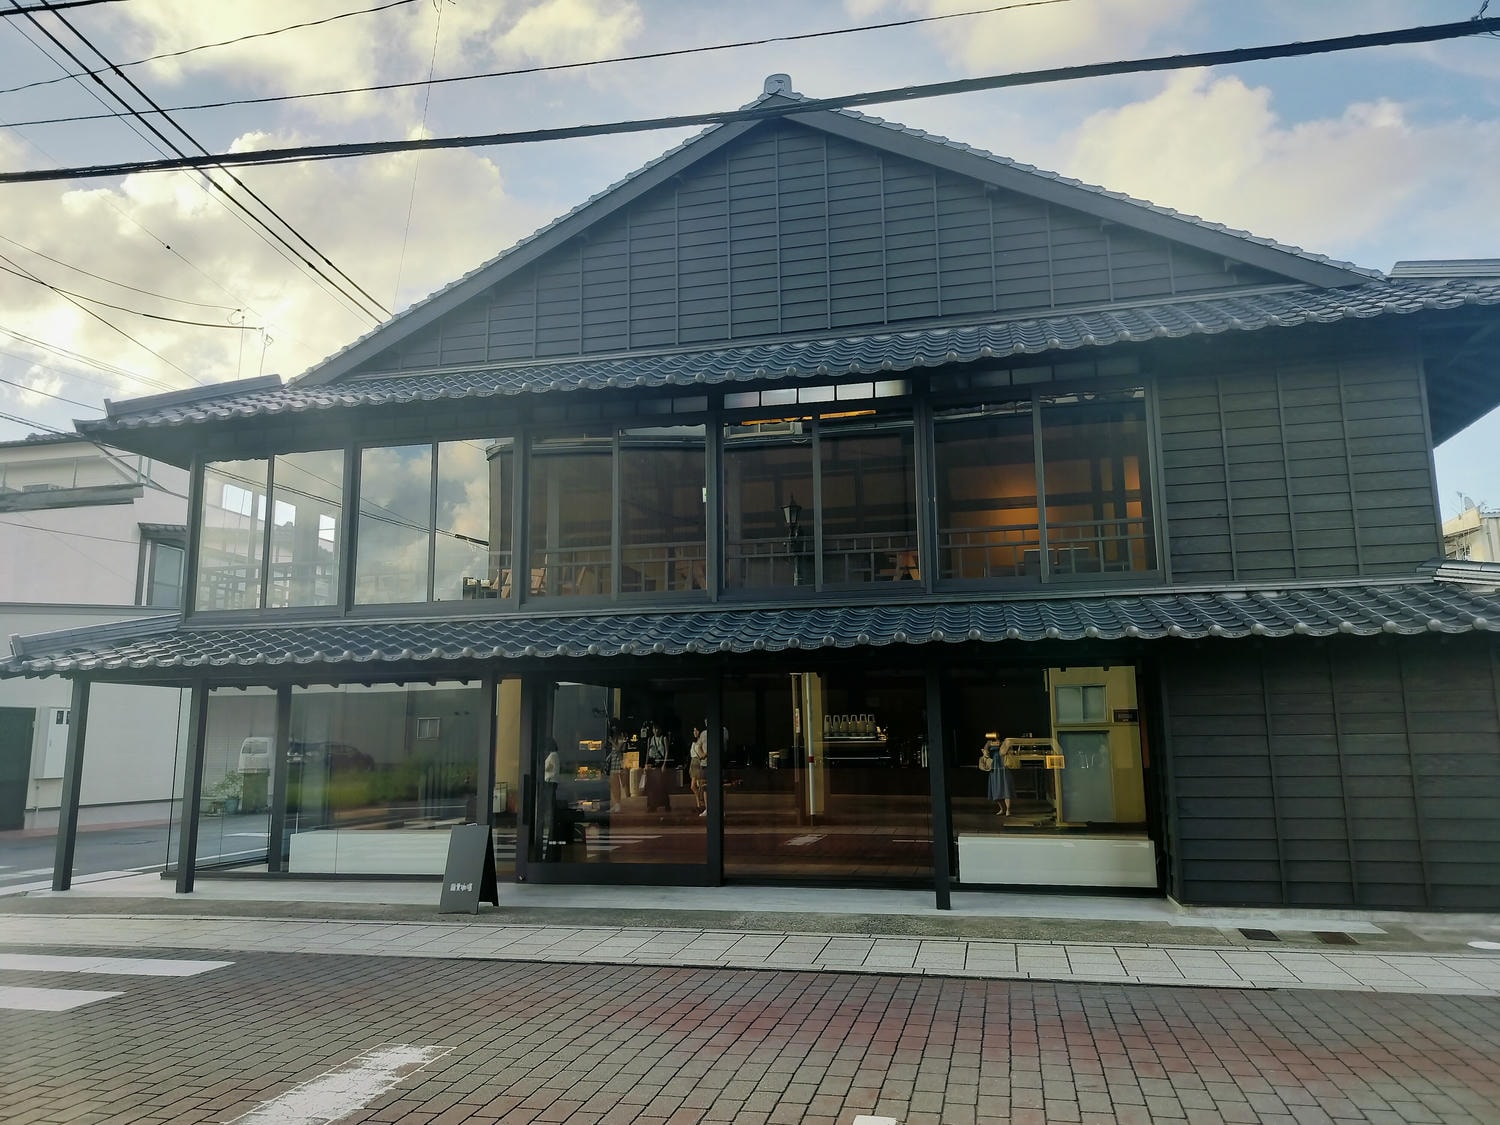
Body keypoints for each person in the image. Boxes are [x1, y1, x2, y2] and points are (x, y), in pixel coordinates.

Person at [981, 732, 1013, 817]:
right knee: (995, 790)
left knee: (1006, 789)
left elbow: (1007, 751)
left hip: (1003, 767)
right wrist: (987, 748)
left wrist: (1002, 745)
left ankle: (1008, 810)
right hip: (993, 768)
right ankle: (1002, 809)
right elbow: (985, 752)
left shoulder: (1004, 742)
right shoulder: (988, 743)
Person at [689, 721, 709, 816]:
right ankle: (699, 804)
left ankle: (701, 804)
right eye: (693, 730)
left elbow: (702, 751)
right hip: (693, 763)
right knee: (694, 786)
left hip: (698, 762)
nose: (695, 732)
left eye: (696, 730)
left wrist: (702, 756)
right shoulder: (694, 742)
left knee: (697, 785)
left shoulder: (702, 740)